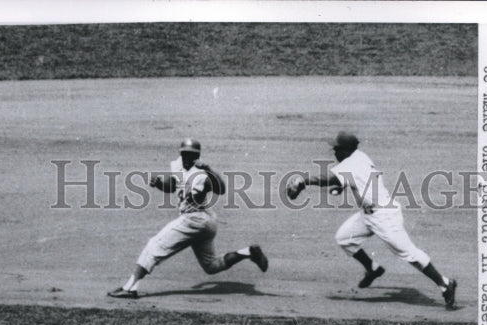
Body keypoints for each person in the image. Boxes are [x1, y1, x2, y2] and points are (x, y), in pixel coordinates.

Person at [287, 131, 457, 309]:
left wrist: (303, 181)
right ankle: (373, 268)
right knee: (344, 238)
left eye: (336, 149)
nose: (334, 153)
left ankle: (445, 284)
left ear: (345, 151)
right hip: (369, 215)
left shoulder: (349, 164)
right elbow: (355, 179)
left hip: (385, 216)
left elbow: (328, 179)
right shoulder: (361, 156)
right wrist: (341, 187)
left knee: (410, 254)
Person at [108, 137, 269, 298]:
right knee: (212, 266)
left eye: (191, 155)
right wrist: (159, 183)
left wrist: (210, 170)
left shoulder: (201, 174)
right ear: (181, 153)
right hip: (205, 223)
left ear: (197, 156)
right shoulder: (178, 166)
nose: (187, 157)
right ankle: (249, 252)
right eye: (184, 154)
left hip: (195, 220)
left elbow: (221, 189)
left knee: (154, 245)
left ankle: (130, 287)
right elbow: (172, 186)